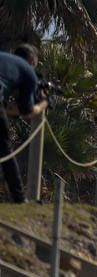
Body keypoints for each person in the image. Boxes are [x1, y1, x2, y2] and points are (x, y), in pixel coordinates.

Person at [0, 44, 48, 204]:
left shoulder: (5, 59)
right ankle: (19, 199)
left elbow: (6, 108)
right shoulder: (28, 71)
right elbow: (27, 112)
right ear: (32, 61)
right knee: (5, 150)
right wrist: (43, 104)